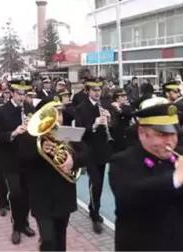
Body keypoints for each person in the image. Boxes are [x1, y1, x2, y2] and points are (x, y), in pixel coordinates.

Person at [109, 97, 183, 252]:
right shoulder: (122, 161)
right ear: (142, 133)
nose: (170, 141)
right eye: (162, 135)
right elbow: (129, 196)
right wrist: (176, 178)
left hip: (180, 244)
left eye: (173, 134)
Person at [21, 98, 88, 252]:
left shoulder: (66, 133)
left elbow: (86, 153)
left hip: (63, 195)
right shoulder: (29, 136)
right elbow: (22, 160)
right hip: (41, 197)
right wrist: (39, 151)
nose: (58, 117)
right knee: (48, 241)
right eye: (54, 113)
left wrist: (73, 160)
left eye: (60, 113)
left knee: (60, 237)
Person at [0, 79, 36, 244]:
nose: (22, 97)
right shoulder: (1, 111)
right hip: (11, 160)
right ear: (11, 93)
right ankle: (16, 227)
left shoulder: (30, 109)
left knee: (28, 195)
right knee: (16, 194)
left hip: (28, 158)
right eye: (19, 94)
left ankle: (24, 222)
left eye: (24, 94)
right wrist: (14, 133)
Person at [75, 78, 113, 234]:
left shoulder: (105, 105)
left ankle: (93, 206)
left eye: (99, 90)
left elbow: (113, 126)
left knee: (100, 182)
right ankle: (94, 213)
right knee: (95, 182)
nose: (98, 93)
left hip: (102, 150)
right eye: (94, 90)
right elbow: (79, 130)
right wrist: (94, 125)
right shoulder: (81, 108)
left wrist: (109, 121)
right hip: (89, 150)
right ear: (88, 91)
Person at [162, 81, 183, 147]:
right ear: (167, 93)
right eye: (175, 92)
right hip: (166, 143)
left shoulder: (178, 105)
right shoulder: (161, 106)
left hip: (179, 141)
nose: (178, 94)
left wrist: (181, 108)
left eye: (179, 92)